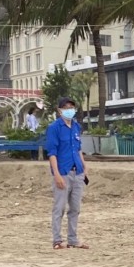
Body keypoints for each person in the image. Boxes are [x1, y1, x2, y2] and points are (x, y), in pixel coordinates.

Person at [45, 97, 89, 250]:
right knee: (59, 208)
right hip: (63, 172)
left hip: (77, 172)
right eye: (65, 107)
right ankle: (57, 240)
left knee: (75, 208)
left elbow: (78, 148)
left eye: (71, 107)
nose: (69, 110)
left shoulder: (76, 126)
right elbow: (52, 153)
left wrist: (84, 166)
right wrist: (56, 174)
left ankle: (73, 239)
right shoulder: (54, 128)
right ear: (59, 110)